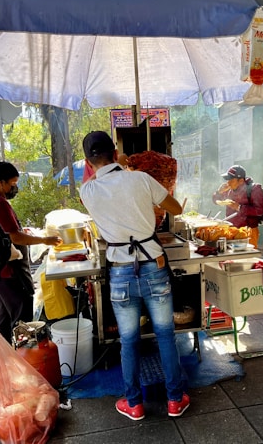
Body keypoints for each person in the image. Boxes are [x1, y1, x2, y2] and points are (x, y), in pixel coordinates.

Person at [79, 131, 189, 421]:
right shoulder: (140, 179)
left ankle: (134, 404)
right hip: (153, 263)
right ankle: (175, 400)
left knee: (129, 341)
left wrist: (115, 164)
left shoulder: (87, 191)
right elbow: (174, 208)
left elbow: (100, 178)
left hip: (120, 271)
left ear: (88, 163)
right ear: (115, 154)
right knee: (165, 335)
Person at [0, 162, 62, 343]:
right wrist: (45, 240)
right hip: (10, 272)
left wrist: (19, 230)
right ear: (1, 183)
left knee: (4, 319)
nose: (14, 187)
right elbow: (16, 238)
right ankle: (24, 361)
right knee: (21, 322)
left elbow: (7, 232)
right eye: (13, 183)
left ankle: (6, 363)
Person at [212, 165, 263, 247]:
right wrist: (219, 192)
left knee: (247, 258)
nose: (228, 182)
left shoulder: (254, 190)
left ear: (241, 181)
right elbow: (215, 201)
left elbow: (259, 211)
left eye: (231, 180)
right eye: (227, 179)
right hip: (231, 230)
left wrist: (239, 207)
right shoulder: (228, 190)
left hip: (248, 232)